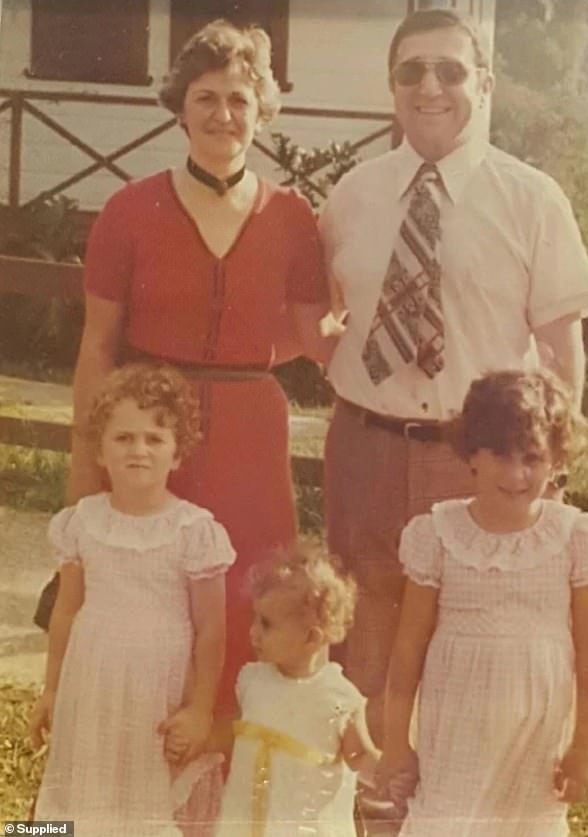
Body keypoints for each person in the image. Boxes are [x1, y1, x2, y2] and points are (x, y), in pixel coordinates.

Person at [318, 8, 588, 742]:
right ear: (392, 86)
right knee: (366, 635)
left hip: (477, 458)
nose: (430, 86)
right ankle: (370, 803)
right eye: (411, 71)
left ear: (485, 82)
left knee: (468, 640)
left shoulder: (533, 198)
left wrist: (549, 470)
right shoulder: (352, 194)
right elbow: (320, 315)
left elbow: (561, 351)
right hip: (367, 446)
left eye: (450, 69)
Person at [60, 19, 331, 717]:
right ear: (181, 107)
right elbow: (97, 344)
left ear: (262, 111)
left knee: (250, 593)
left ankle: (230, 780)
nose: (223, 114)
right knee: (144, 592)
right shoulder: (128, 209)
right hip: (151, 426)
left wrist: (253, 358)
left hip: (251, 434)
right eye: (207, 97)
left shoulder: (294, 216)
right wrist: (88, 457)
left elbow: (311, 333)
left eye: (240, 99)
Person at [377, 369, 588, 837]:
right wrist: (396, 741)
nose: (517, 474)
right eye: (500, 456)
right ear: (471, 454)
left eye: (532, 458)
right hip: (457, 721)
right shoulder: (438, 533)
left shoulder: (574, 537)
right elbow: (407, 651)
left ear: (556, 460)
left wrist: (584, 746)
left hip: (536, 732)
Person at [30, 364, 236, 837]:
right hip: (92, 680)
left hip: (157, 689)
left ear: (177, 453)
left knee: (145, 795)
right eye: (123, 438)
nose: (138, 450)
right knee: (82, 796)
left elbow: (212, 632)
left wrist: (201, 709)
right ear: (100, 449)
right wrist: (53, 688)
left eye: (154, 439)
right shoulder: (82, 522)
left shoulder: (193, 530)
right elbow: (66, 611)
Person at [214, 552, 379, 836]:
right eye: (255, 619)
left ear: (311, 638)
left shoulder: (338, 696)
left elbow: (360, 756)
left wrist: (388, 772)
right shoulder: (253, 680)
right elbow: (234, 734)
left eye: (266, 624)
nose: (253, 632)